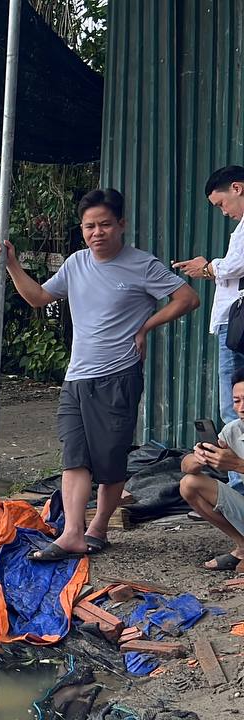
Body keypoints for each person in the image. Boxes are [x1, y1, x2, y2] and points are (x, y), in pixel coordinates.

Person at [0, 188, 199, 561]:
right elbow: (39, 298)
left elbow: (187, 298)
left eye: (105, 224)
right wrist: (11, 264)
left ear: (121, 224)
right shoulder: (75, 264)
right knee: (74, 456)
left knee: (109, 460)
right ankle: (72, 533)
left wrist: (146, 327)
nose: (97, 232)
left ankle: (98, 528)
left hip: (118, 375)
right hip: (76, 377)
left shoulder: (142, 264)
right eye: (90, 226)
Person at [173, 165, 244, 488]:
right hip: (232, 322)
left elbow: (234, 266)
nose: (223, 211)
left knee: (232, 407)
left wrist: (209, 266)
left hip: (236, 324)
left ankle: (237, 483)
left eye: (221, 204)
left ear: (237, 188)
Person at [179, 369, 244, 571]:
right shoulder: (234, 429)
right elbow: (185, 467)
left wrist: (236, 464)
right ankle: (242, 547)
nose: (241, 408)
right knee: (189, 484)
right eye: (236, 401)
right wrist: (199, 457)